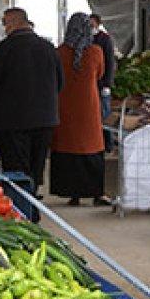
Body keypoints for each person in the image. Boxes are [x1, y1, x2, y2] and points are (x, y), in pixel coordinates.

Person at [0, 8, 62, 192]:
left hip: (15, 122)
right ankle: (32, 205)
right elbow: (60, 82)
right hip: (45, 120)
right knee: (35, 169)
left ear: (13, 22)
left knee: (16, 172)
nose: (3, 27)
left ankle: (23, 210)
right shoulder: (48, 48)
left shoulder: (5, 48)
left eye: (4, 22)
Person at [50, 13, 108, 206]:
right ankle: (95, 193)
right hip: (88, 108)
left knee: (68, 146)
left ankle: (73, 194)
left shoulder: (59, 53)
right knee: (91, 147)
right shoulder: (96, 52)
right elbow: (100, 75)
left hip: (64, 106)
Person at [89, 14, 117, 145]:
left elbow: (110, 62)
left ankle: (108, 143)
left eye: (92, 25)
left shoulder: (105, 39)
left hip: (102, 82)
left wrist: (107, 84)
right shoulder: (86, 38)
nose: (90, 27)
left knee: (105, 113)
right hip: (91, 83)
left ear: (98, 24)